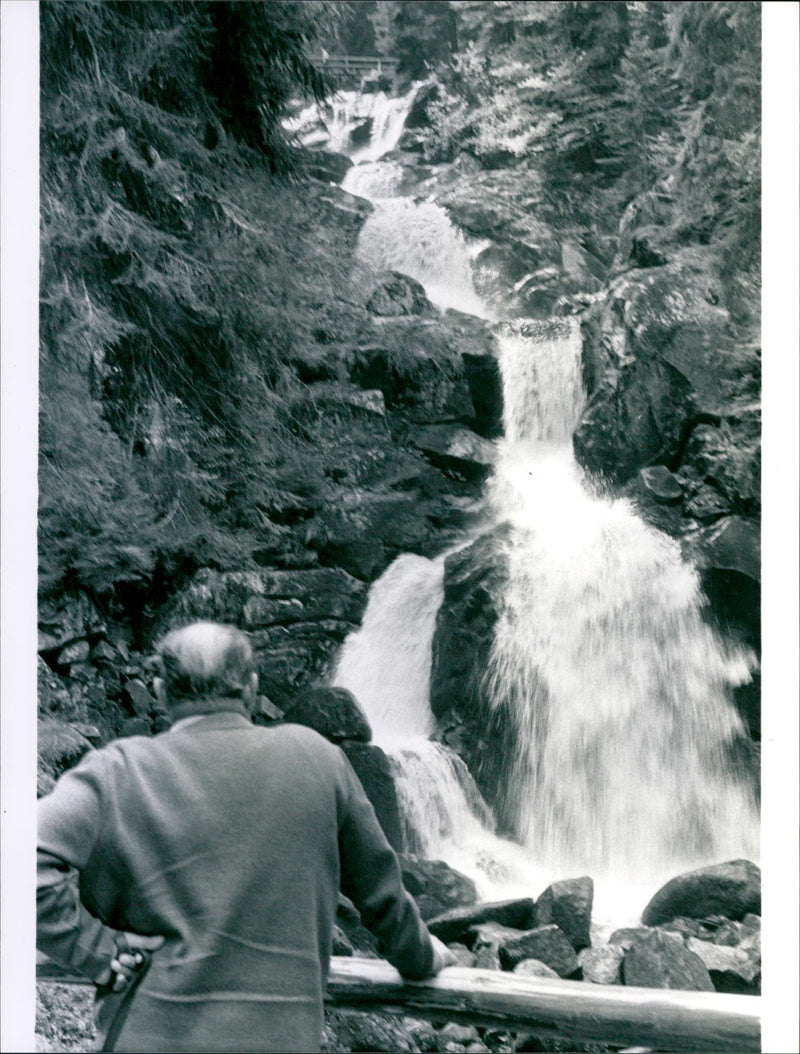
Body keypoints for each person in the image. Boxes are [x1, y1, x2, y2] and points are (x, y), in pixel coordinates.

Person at [38, 621, 454, 1052]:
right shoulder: (320, 759)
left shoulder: (115, 771)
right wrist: (422, 957)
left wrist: (98, 951)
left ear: (161, 692)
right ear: (252, 689)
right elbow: (383, 897)